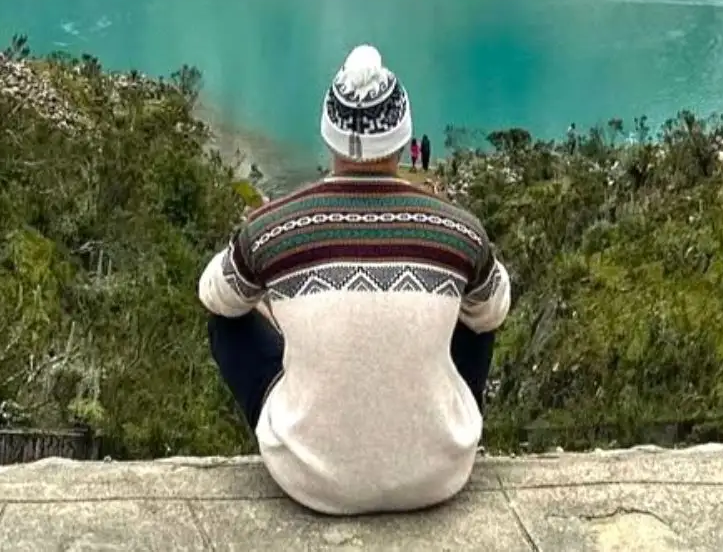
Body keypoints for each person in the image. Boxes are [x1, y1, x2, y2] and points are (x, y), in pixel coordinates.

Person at [199, 45, 512, 515]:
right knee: (477, 310)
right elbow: (496, 308)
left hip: (311, 479)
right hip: (438, 475)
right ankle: (436, 429)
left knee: (226, 322)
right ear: (403, 140)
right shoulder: (457, 231)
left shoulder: (273, 229)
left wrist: (279, 301)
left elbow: (214, 295)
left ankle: (298, 427)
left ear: (329, 137)